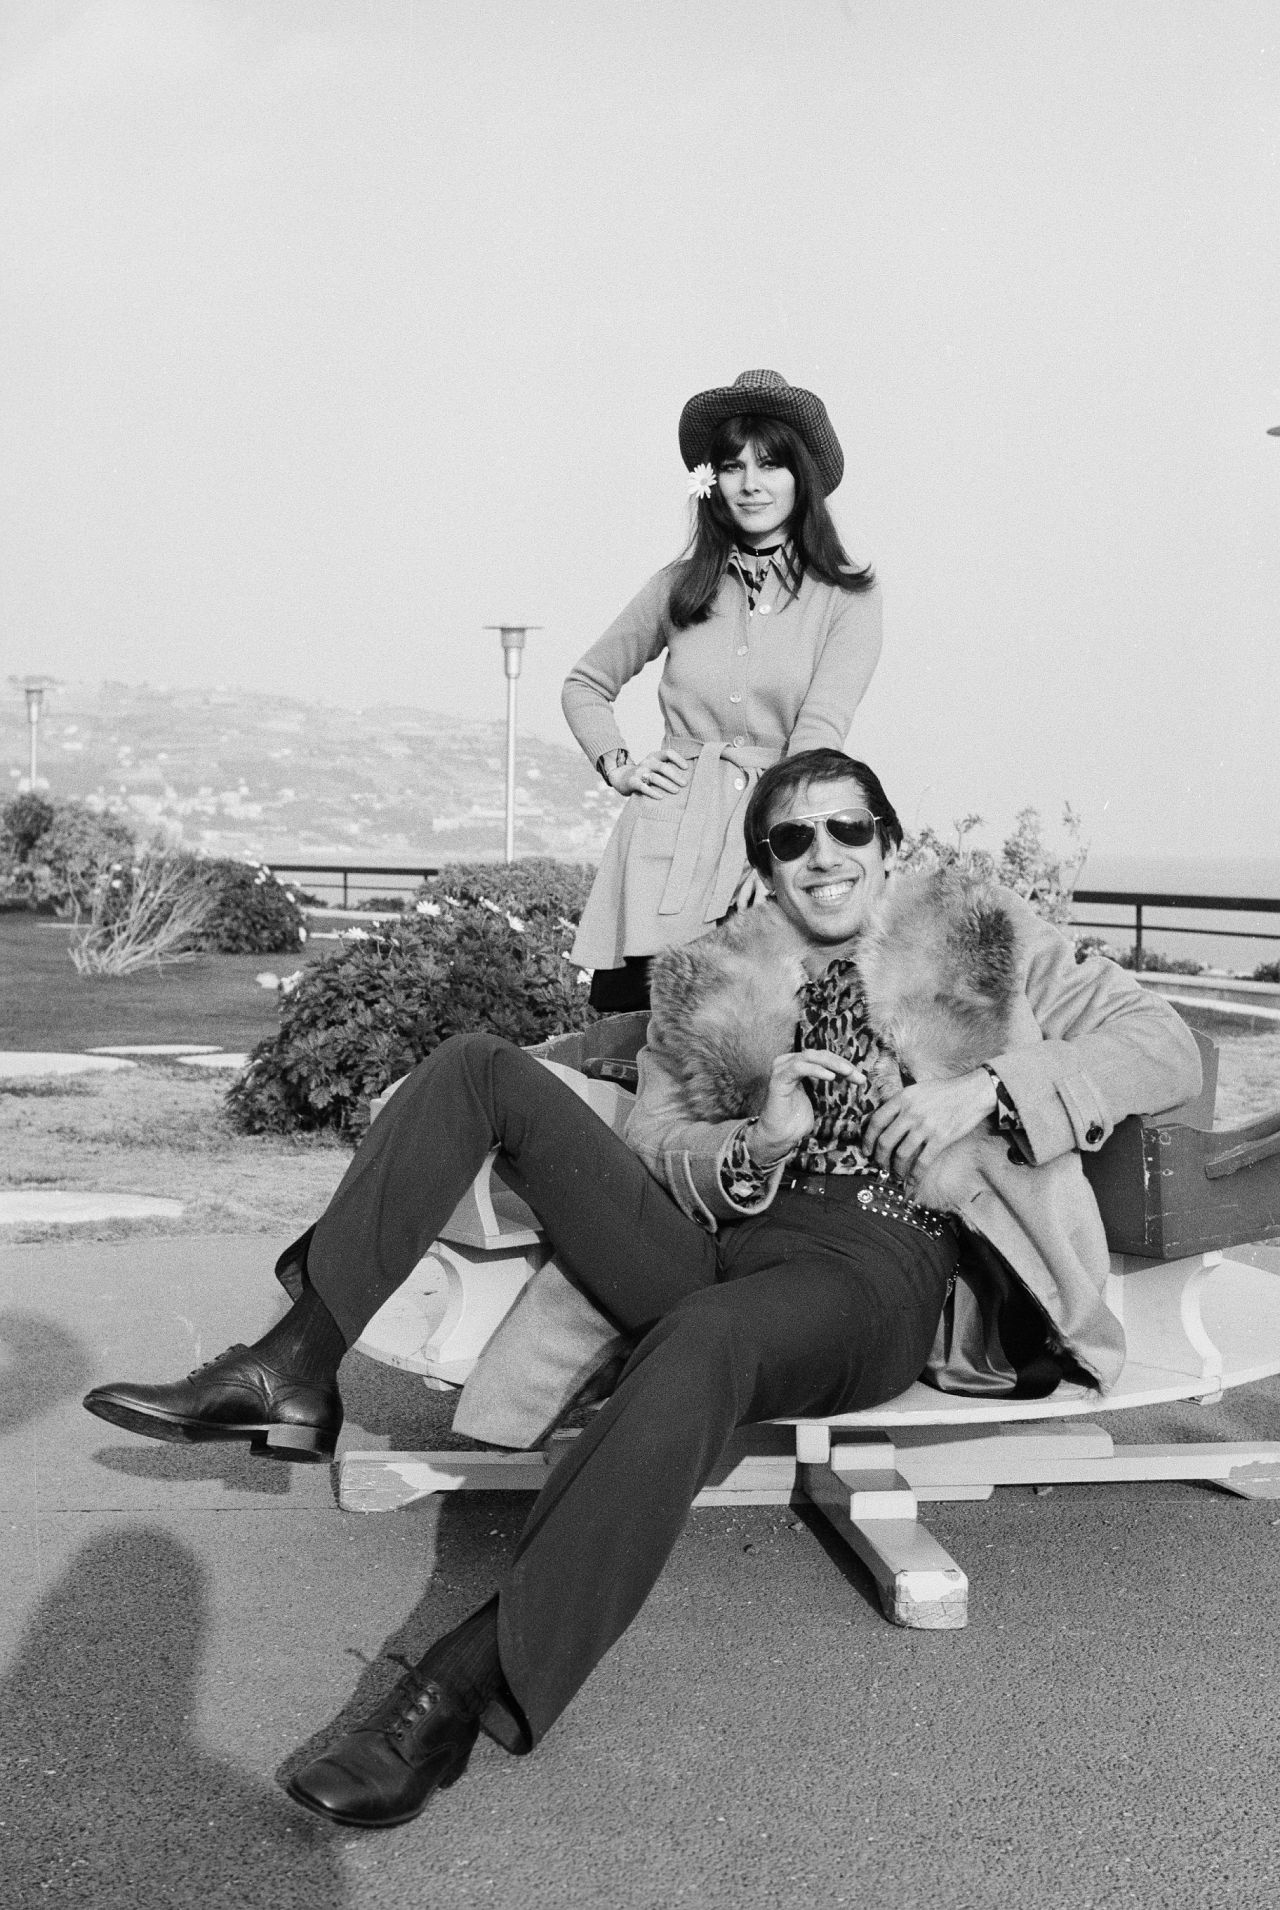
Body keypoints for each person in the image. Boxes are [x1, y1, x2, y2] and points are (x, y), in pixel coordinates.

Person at [82, 750, 1200, 1832]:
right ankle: (291, 1365)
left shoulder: (984, 934)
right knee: (475, 1063)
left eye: (846, 827)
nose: (821, 854)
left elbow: (1162, 1045)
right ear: (763, 865)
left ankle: (456, 1691)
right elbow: (663, 1142)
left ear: (887, 841)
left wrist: (986, 1091)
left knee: (711, 1335)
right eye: (789, 837)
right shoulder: (710, 978)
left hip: (877, 1260)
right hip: (718, 1236)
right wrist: (755, 1143)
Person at [563, 367, 882, 1011]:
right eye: (732, 467)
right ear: (712, 483)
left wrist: (770, 857)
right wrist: (619, 765)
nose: (751, 484)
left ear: (803, 479)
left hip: (768, 840)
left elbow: (818, 738)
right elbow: (585, 684)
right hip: (660, 844)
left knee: (744, 1047)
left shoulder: (848, 597)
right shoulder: (678, 586)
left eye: (770, 465)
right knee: (625, 1042)